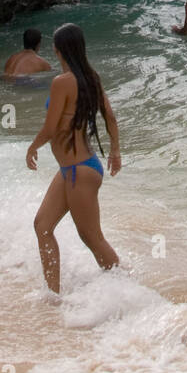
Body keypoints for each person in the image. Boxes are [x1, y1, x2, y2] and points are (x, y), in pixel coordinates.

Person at [27, 23, 121, 294]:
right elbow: (111, 118)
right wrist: (115, 152)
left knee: (91, 237)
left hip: (79, 170)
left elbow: (51, 127)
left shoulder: (62, 83)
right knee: (42, 225)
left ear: (59, 50)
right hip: (74, 169)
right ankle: (52, 295)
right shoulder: (91, 77)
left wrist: (32, 146)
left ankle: (128, 292)